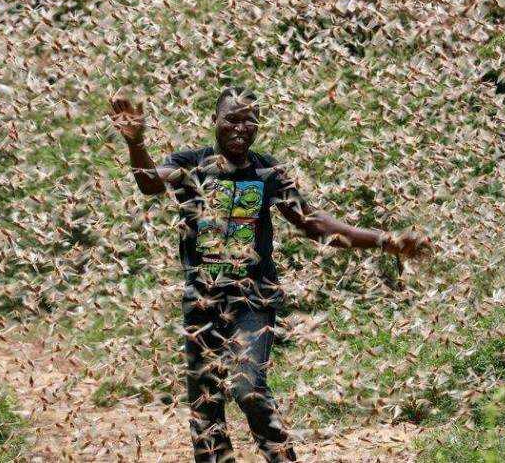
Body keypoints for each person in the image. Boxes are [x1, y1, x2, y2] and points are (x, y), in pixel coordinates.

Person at [109, 85, 430, 462]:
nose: (240, 127)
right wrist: (135, 142)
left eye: (249, 119)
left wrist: (384, 240)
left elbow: (315, 224)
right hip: (203, 297)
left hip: (252, 298)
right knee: (205, 401)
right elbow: (149, 183)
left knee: (248, 388)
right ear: (215, 121)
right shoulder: (191, 163)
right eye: (232, 118)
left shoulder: (268, 172)